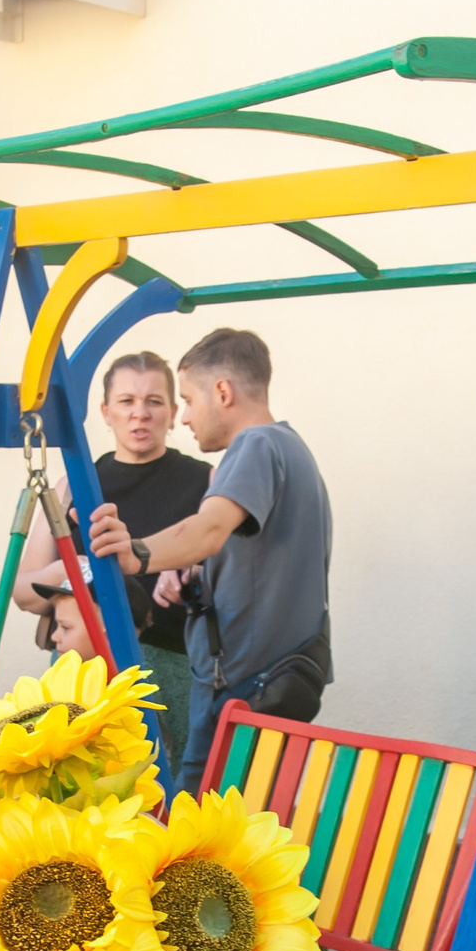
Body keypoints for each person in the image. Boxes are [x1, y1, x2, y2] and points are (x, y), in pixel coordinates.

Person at [87, 328, 333, 792]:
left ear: (223, 392)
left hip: (245, 687)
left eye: (188, 400)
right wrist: (192, 574)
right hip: (271, 679)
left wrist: (135, 553)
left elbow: (210, 528)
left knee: (194, 829)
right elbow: (249, 553)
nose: (183, 419)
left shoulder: (256, 444)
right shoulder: (289, 448)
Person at [12, 350, 211, 769]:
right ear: (106, 412)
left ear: (174, 412)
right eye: (127, 401)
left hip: (173, 666)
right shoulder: (75, 486)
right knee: (74, 783)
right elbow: (23, 593)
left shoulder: (206, 482)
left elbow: (230, 572)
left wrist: (193, 571)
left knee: (169, 791)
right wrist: (76, 569)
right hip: (83, 668)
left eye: (154, 402)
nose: (140, 414)